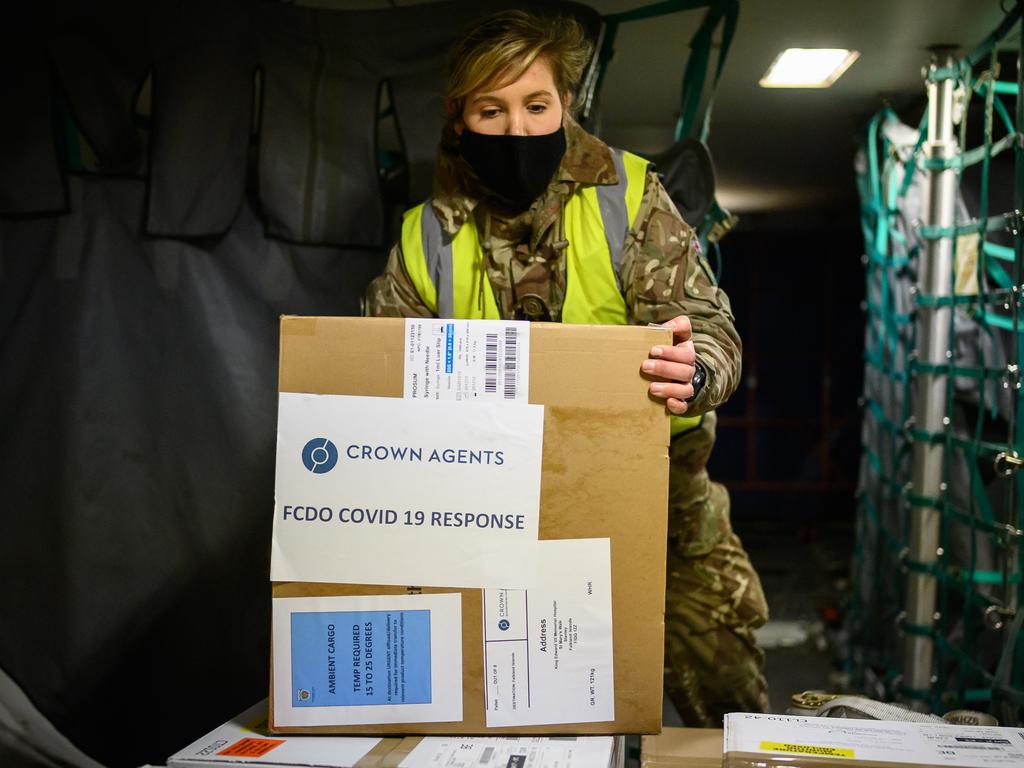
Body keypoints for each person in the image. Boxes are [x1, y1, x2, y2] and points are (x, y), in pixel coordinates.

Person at [365, 9, 768, 725]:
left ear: (565, 105)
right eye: (493, 109)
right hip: (496, 529)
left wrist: (695, 370)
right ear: (460, 119)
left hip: (663, 512)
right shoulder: (426, 237)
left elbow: (710, 329)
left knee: (729, 713)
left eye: (536, 106)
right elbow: (374, 377)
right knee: (535, 719)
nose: (518, 130)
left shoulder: (631, 199)